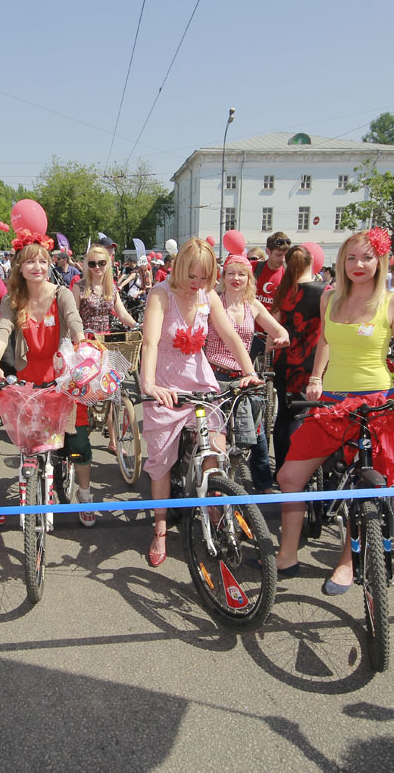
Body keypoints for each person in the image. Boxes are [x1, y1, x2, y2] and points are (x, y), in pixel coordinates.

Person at [274, 228, 394, 590]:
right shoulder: (329, 298)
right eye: (351, 258)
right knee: (289, 477)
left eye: (366, 257)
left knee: (366, 486)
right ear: (341, 262)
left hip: (376, 403)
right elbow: (325, 343)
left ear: (380, 260)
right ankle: (286, 556)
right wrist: (317, 376)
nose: (358, 265)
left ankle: (347, 562)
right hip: (333, 403)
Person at [137, 238, 261, 566]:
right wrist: (148, 384)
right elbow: (149, 343)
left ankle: (216, 511)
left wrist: (249, 371)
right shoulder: (160, 295)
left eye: (204, 278)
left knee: (215, 450)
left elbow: (232, 335)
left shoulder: (207, 297)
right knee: (160, 463)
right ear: (179, 269)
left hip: (200, 382)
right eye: (191, 277)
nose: (197, 284)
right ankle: (160, 528)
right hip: (164, 384)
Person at [0, 231, 86, 525]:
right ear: (19, 266)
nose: (37, 267)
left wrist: (82, 342)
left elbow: (74, 321)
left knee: (66, 443)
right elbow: (2, 330)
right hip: (27, 382)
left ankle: (62, 469)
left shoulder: (61, 293)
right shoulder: (12, 300)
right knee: (30, 444)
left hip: (59, 378)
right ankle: (34, 483)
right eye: (30, 262)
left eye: (42, 260)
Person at [64, 244, 139, 520]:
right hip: (84, 347)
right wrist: (80, 338)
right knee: (83, 398)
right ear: (86, 264)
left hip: (106, 344)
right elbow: (71, 316)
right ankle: (79, 438)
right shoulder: (78, 286)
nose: (97, 268)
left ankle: (112, 432)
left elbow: (121, 313)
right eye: (93, 263)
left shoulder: (111, 289)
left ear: (109, 265)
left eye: (102, 263)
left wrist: (135, 327)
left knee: (114, 391)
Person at [204, 253, 289, 493]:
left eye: (241, 274)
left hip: (244, 376)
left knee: (257, 432)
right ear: (223, 276)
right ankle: (208, 483)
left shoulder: (252, 304)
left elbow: (280, 330)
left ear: (249, 278)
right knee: (211, 431)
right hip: (215, 375)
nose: (236, 278)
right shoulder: (214, 301)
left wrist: (279, 337)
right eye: (231, 273)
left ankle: (262, 484)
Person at [272, 245, 326, 466]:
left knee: (283, 417)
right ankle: (293, 468)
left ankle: (282, 467)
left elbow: (273, 324)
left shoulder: (284, 289)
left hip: (283, 361)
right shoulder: (323, 291)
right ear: (312, 261)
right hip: (309, 362)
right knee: (301, 416)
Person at [254, 232, 291, 308]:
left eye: (285, 255)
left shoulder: (288, 273)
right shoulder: (254, 267)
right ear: (267, 251)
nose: (283, 259)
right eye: (278, 255)